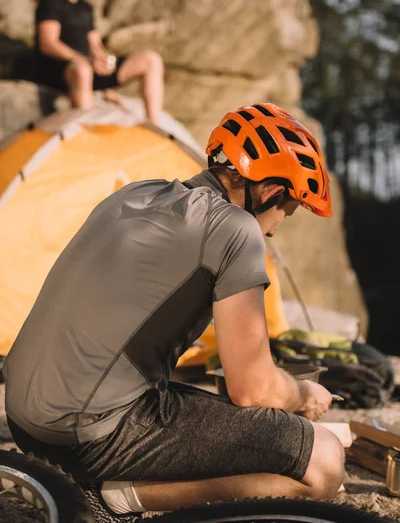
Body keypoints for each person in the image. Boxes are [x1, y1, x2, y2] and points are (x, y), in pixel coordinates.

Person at [4, 103, 344, 520]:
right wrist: (304, 395)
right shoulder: (235, 229)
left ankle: (107, 479)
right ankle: (120, 498)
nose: (274, 229)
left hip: (23, 416)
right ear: (271, 192)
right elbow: (253, 391)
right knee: (324, 462)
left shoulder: (136, 193)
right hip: (86, 432)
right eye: (286, 211)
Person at [35, 0, 164, 125]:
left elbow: (94, 42)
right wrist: (84, 60)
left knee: (151, 59)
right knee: (82, 70)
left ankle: (154, 124)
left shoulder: (85, 7)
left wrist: (103, 59)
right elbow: (48, 43)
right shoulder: (51, 2)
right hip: (63, 70)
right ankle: (87, 128)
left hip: (88, 66)